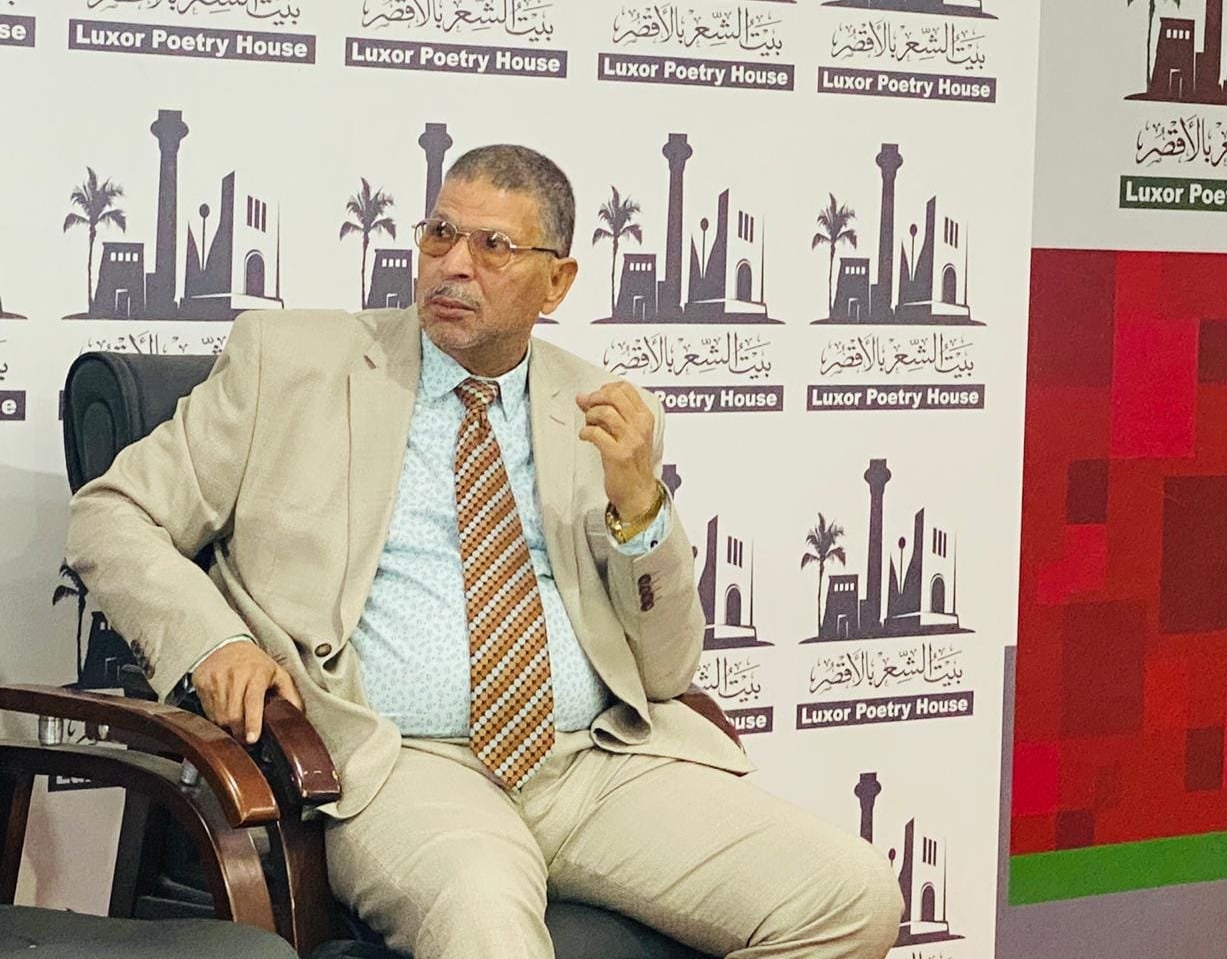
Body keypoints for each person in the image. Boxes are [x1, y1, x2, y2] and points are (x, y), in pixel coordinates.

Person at [65, 144, 902, 959]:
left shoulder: (595, 408)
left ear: (557, 281)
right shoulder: (289, 365)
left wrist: (641, 508)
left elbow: (666, 666)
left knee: (851, 895)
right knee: (486, 923)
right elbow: (113, 513)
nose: (453, 266)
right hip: (402, 764)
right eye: (440, 234)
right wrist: (216, 642)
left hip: (592, 763)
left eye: (494, 245)